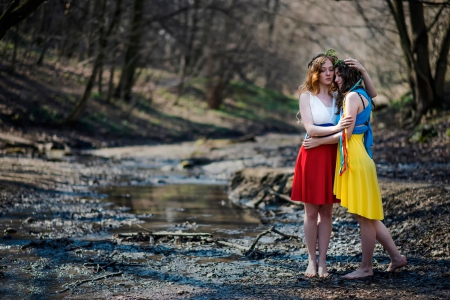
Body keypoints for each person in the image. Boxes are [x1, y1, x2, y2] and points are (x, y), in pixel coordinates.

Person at [303, 59, 407, 279]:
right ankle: (396, 257)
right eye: (332, 74)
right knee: (368, 216)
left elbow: (346, 134)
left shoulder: (350, 97)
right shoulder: (363, 94)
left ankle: (366, 268)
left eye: (339, 75)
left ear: (348, 76)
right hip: (362, 157)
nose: (335, 78)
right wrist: (363, 70)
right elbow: (375, 93)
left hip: (356, 158)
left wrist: (319, 142)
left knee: (363, 216)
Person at [291, 49, 377, 278]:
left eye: (331, 70)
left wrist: (362, 70)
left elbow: (369, 95)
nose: (329, 74)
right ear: (315, 73)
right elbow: (310, 129)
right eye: (324, 70)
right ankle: (310, 261)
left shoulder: (341, 93)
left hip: (334, 155)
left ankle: (322, 263)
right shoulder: (306, 97)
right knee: (311, 212)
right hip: (312, 153)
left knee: (327, 213)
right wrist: (338, 128)